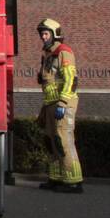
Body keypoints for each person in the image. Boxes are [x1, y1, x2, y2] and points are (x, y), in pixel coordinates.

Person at [36, 18, 84, 193]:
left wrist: (63, 102)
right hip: (50, 103)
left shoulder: (64, 52)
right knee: (50, 140)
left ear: (55, 34)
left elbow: (71, 79)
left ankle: (73, 180)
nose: (43, 37)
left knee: (63, 140)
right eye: (42, 34)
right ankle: (56, 177)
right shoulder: (48, 55)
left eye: (46, 34)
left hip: (62, 103)